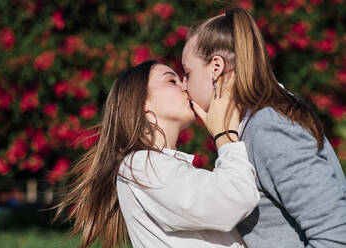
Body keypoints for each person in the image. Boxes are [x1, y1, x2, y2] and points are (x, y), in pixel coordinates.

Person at [181, 6, 346, 248]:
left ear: (216, 68)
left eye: (187, 73)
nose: (184, 85)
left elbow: (335, 235)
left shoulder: (268, 126)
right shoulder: (257, 121)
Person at [53, 60, 260, 248]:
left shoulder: (153, 166)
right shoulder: (140, 165)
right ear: (143, 102)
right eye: (172, 81)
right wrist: (225, 136)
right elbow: (235, 199)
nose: (185, 87)